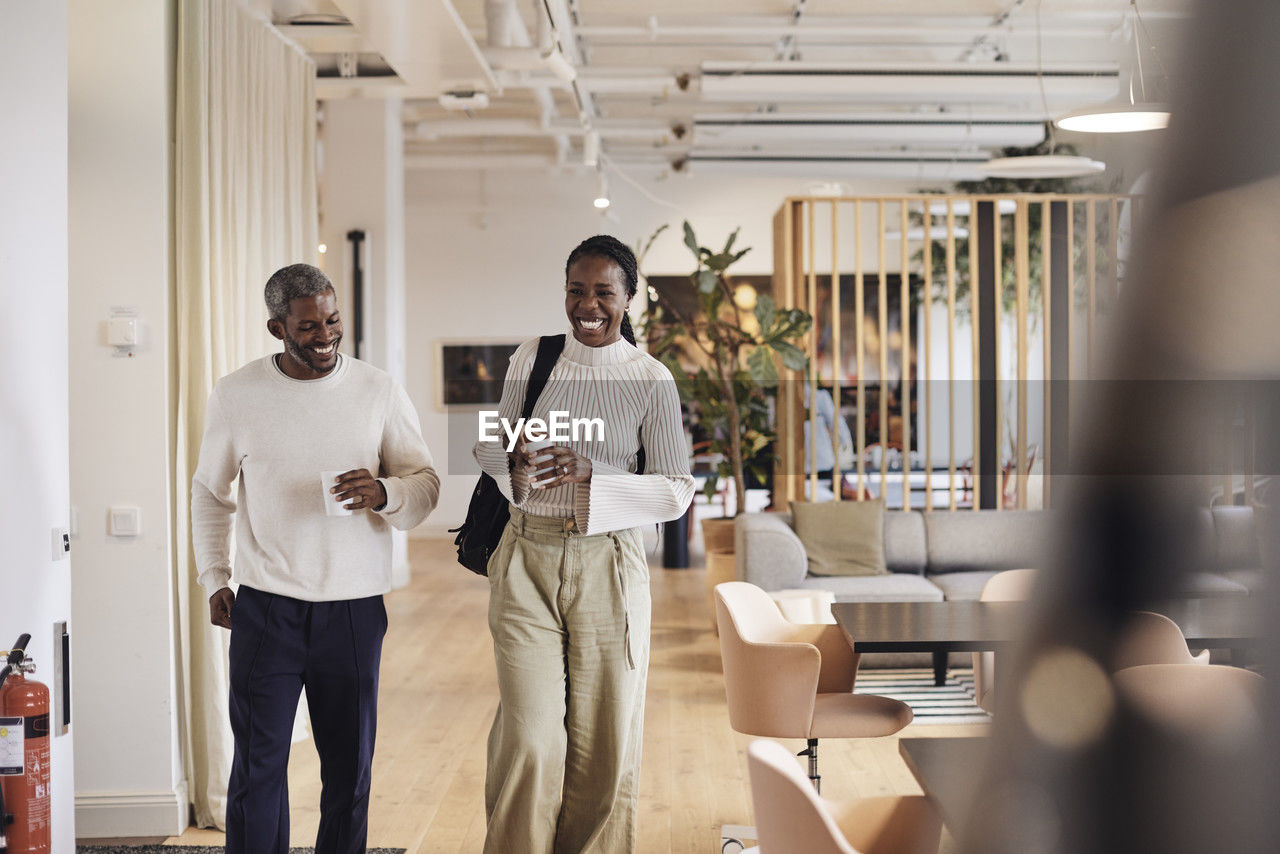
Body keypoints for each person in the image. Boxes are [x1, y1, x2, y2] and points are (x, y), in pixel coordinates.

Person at [191, 263, 439, 854]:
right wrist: (214, 576)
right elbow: (209, 491)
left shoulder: (378, 390)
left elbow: (424, 483)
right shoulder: (236, 394)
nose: (325, 336)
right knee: (257, 770)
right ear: (278, 328)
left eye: (333, 321)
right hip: (265, 610)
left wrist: (385, 492)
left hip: (353, 613)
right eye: (308, 327)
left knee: (349, 772)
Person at [473, 235, 695, 853]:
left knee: (604, 740)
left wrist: (593, 474)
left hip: (609, 564)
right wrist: (511, 457)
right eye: (577, 290)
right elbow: (487, 447)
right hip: (524, 556)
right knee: (529, 733)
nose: (588, 305)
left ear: (628, 298)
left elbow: (676, 491)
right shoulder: (532, 358)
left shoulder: (651, 379)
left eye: (604, 292)